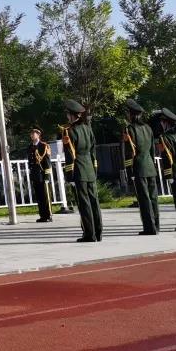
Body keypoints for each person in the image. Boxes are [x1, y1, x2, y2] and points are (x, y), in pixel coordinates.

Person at [62, 99, 101, 243]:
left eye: (68, 114)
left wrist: (70, 176)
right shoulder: (88, 129)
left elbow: (70, 155)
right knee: (94, 202)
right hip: (89, 168)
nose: (67, 117)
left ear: (72, 115)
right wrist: (94, 169)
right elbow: (93, 151)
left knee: (84, 204)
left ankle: (89, 234)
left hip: (78, 169)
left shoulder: (69, 131)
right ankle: (98, 232)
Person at [122, 98, 159, 235]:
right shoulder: (148, 128)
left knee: (144, 199)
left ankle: (149, 228)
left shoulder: (129, 129)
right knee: (153, 198)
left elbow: (129, 152)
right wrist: (153, 165)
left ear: (131, 114)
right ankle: (156, 225)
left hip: (138, 167)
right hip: (150, 166)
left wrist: (130, 171)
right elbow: (152, 150)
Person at [28, 127, 54, 223]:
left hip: (42, 174)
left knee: (46, 196)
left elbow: (47, 162)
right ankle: (42, 215)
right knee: (39, 197)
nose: (32, 135)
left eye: (34, 133)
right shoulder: (30, 147)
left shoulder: (44, 146)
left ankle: (49, 215)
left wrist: (47, 176)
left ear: (38, 135)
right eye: (31, 133)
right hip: (35, 175)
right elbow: (31, 162)